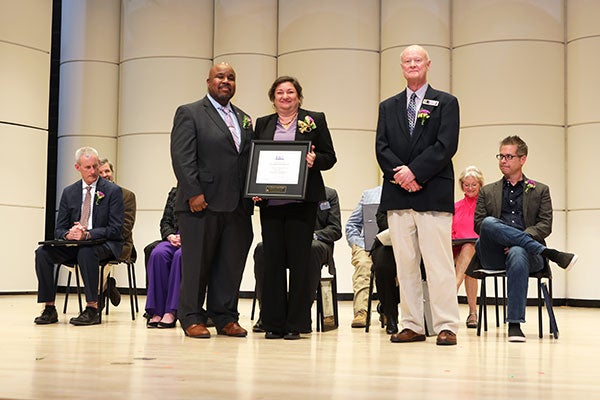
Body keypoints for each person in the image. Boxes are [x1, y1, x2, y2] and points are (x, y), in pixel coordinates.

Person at [376, 44, 460, 345]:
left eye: (417, 60)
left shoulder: (447, 102)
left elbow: (446, 145)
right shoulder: (388, 106)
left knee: (438, 264)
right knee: (405, 263)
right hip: (398, 195)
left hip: (432, 192)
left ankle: (446, 324)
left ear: (428, 64)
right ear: (401, 67)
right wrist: (402, 175)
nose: (412, 64)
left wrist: (415, 173)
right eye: (407, 61)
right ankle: (411, 323)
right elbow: (381, 148)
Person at [170, 62, 254, 339]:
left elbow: (248, 160)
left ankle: (225, 317)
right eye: (220, 76)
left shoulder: (243, 118)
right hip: (201, 203)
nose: (226, 81)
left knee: (230, 265)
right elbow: (182, 157)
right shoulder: (190, 113)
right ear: (208, 81)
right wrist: (193, 192)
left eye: (231, 77)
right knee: (197, 265)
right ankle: (192, 317)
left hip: (238, 206)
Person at [473, 135, 578, 342]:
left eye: (509, 156)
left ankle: (514, 324)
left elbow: (545, 225)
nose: (503, 160)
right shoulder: (487, 191)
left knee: (518, 251)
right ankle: (551, 254)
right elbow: (479, 225)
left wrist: (517, 241)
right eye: (501, 156)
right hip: (493, 253)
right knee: (488, 223)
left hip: (527, 256)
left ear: (523, 159)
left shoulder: (540, 190)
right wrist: (505, 240)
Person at [254, 76, 337, 340]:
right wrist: (253, 191)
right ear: (273, 97)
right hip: (271, 205)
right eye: (280, 92)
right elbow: (253, 160)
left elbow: (330, 157)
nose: (285, 97)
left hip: (303, 204)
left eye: (290, 92)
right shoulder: (263, 124)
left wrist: (315, 159)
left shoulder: (315, 119)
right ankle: (274, 322)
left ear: (299, 96)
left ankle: (297, 323)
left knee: (301, 263)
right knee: (273, 263)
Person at [34, 146, 124, 326]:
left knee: (86, 251)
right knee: (42, 253)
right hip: (75, 244)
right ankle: (49, 308)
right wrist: (69, 234)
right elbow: (59, 229)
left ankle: (92, 308)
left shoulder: (112, 191)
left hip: (103, 244)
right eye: (87, 167)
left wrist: (88, 234)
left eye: (95, 166)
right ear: (78, 168)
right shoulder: (69, 192)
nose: (93, 171)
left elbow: (115, 229)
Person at [252, 186, 342, 333]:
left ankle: (300, 315)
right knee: (263, 249)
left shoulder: (329, 194)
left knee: (310, 248)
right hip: (286, 238)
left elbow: (335, 229)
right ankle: (267, 313)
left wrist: (310, 235)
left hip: (317, 242)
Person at [98, 158, 137, 307]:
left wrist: (99, 237)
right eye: (100, 172)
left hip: (120, 243)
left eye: (107, 171)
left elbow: (126, 227)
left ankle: (95, 300)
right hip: (93, 242)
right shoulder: (90, 196)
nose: (104, 175)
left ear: (112, 173)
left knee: (93, 255)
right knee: (77, 258)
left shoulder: (127, 196)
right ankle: (105, 286)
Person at [345, 185, 382, 328]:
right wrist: (358, 244)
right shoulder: (369, 195)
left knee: (392, 267)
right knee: (363, 265)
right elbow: (352, 225)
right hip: (366, 244)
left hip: (394, 245)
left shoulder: (408, 193)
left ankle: (388, 310)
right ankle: (361, 311)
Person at [452, 166, 484, 328]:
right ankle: (473, 313)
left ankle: (452, 291)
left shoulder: (485, 207)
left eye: (473, 185)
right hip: (455, 251)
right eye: (466, 184)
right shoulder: (455, 207)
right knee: (468, 262)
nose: (470, 188)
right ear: (461, 185)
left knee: (469, 249)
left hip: (479, 251)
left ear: (480, 185)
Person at [144, 187, 181, 329]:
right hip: (173, 238)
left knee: (179, 256)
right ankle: (157, 311)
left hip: (193, 239)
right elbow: (165, 222)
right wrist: (170, 235)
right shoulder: (174, 192)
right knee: (158, 253)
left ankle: (171, 311)